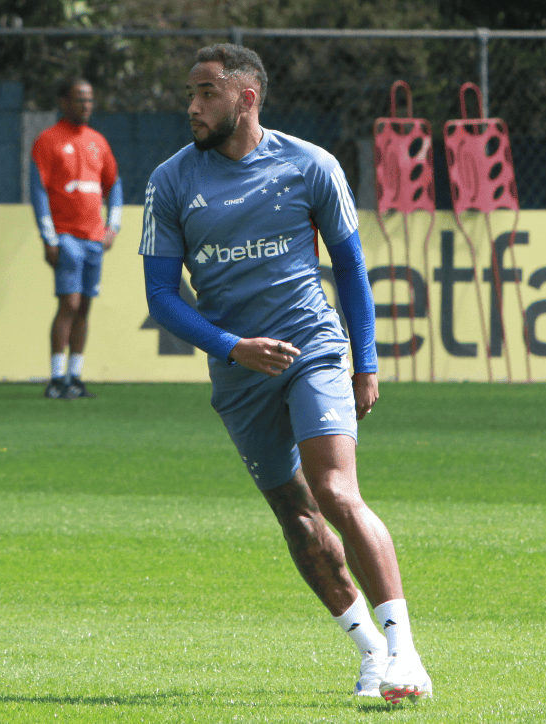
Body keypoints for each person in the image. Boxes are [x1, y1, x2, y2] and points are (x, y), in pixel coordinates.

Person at [138, 44, 431, 704]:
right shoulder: (170, 181)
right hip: (239, 373)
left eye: (207, 91)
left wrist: (365, 361)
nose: (192, 104)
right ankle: (371, 651)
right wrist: (232, 345)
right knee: (294, 514)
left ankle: (407, 652)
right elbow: (160, 296)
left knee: (334, 489)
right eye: (190, 91)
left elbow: (352, 270)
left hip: (311, 348)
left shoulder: (310, 165)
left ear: (246, 98)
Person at [30, 77, 123, 399]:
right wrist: (49, 237)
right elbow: (39, 190)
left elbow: (114, 183)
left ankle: (74, 376)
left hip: (93, 237)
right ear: (64, 102)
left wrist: (113, 226)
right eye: (80, 99)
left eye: (90, 100)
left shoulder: (98, 141)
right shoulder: (48, 140)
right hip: (66, 236)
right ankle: (56, 377)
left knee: (84, 305)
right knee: (68, 303)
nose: (86, 105)